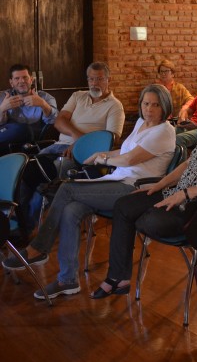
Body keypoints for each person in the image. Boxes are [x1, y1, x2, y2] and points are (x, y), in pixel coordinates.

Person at [2, 85, 176, 299]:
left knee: (66, 188)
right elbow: (124, 151)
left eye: (155, 105)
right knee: (71, 210)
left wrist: (102, 159)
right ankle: (67, 280)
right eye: (146, 103)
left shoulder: (164, 131)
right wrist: (101, 153)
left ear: (165, 106)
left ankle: (39, 248)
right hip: (117, 180)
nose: (149, 109)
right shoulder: (142, 123)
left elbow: (131, 159)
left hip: (134, 190)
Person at [90, 84, 197, 298]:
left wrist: (187, 193)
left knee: (147, 221)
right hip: (179, 194)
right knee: (125, 205)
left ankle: (121, 272)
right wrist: (159, 184)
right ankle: (118, 277)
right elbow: (187, 165)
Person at [17, 62, 125, 241]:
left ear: (108, 80)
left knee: (33, 173)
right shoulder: (78, 96)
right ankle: (21, 225)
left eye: (99, 79)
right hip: (61, 146)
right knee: (24, 172)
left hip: (83, 156)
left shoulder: (115, 106)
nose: (94, 83)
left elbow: (110, 139)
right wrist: (79, 138)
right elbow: (59, 121)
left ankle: (24, 228)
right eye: (91, 79)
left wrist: (82, 146)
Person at [0, 64, 57, 150]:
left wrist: (43, 104)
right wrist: (2, 109)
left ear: (31, 80)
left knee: (25, 129)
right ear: (11, 83)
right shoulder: (3, 97)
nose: (22, 81)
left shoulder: (45, 97)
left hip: (31, 142)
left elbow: (54, 121)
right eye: (17, 78)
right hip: (6, 141)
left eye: (25, 77)